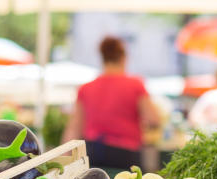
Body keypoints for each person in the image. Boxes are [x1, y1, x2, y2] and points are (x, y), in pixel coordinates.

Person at [63, 36, 160, 169]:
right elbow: (154, 119)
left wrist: (65, 160)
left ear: (102, 58)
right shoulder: (135, 85)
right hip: (126, 154)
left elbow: (74, 128)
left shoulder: (86, 88)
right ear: (123, 58)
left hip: (93, 152)